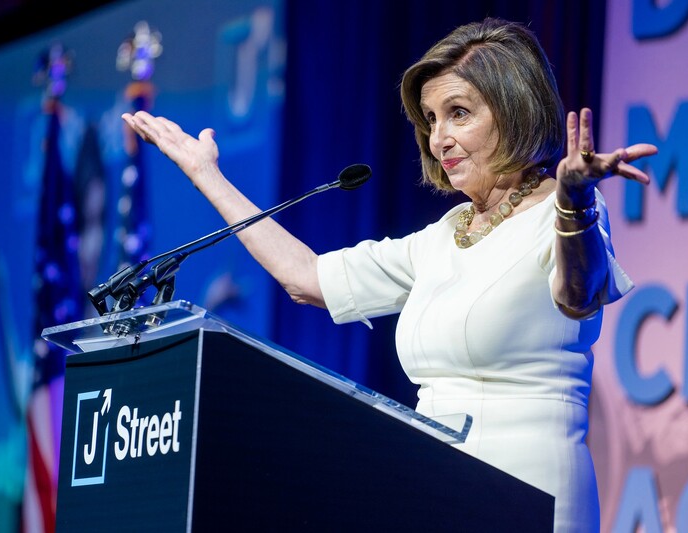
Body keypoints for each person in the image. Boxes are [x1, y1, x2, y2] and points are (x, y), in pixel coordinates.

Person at [122, 18, 657, 533]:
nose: (438, 137)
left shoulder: (562, 213)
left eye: (459, 113)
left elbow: (579, 293)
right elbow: (306, 277)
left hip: (526, 495)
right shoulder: (445, 234)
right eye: (431, 119)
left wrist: (574, 203)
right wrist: (206, 174)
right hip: (428, 489)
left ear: (515, 109)